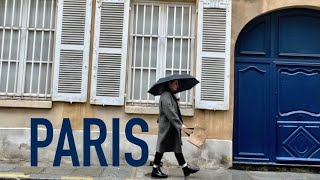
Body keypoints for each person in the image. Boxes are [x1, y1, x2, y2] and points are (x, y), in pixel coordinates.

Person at [151, 79, 200, 178]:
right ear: (169, 84)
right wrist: (180, 124)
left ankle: (185, 169)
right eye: (176, 83)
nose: (177, 86)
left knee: (176, 146)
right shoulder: (165, 95)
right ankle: (155, 169)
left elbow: (172, 109)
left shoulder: (170, 95)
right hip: (167, 126)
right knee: (161, 146)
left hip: (172, 126)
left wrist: (176, 103)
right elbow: (169, 111)